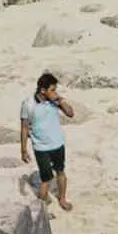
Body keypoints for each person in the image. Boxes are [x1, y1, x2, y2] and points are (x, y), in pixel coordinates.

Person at [20, 71, 75, 210]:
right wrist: (24, 150)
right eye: (52, 90)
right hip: (41, 148)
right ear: (43, 90)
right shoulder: (28, 104)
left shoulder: (54, 101)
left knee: (61, 172)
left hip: (58, 144)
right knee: (46, 180)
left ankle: (62, 199)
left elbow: (70, 114)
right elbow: (24, 128)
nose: (55, 92)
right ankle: (43, 209)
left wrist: (60, 100)